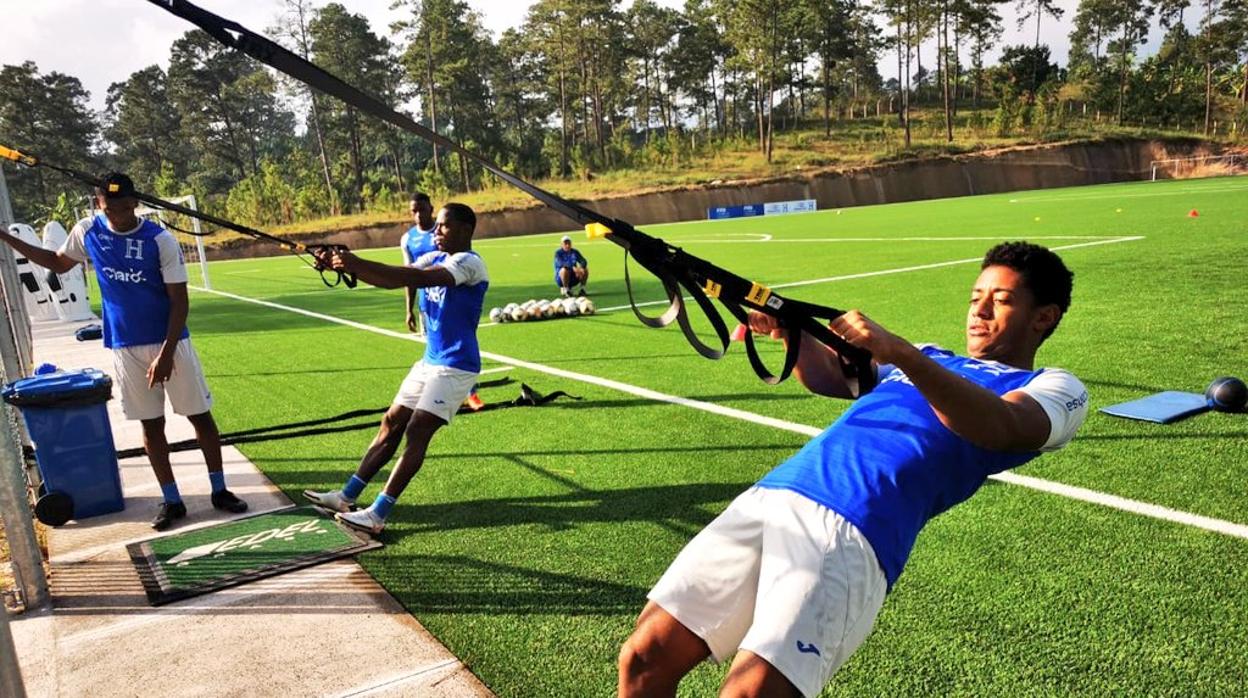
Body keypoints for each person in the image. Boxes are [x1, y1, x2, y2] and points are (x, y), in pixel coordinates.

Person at [617, 242, 1089, 698]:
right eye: (976, 297)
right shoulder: (933, 358)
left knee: (752, 692)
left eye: (1001, 300)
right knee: (644, 656)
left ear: (1043, 317)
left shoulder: (1052, 386)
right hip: (776, 494)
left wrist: (903, 352)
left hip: (855, 528)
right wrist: (791, 332)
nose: (979, 311)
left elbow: (1002, 426)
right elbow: (831, 377)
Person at [0, 173, 248, 530]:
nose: (117, 212)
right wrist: (6, 238)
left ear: (134, 203)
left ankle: (220, 489)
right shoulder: (87, 231)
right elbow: (56, 262)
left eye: (123, 205)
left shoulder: (159, 239)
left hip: (172, 342)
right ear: (99, 203)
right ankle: (172, 499)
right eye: (109, 206)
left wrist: (165, 354)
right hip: (125, 344)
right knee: (151, 424)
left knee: (199, 416)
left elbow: (179, 301)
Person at [304, 203, 489, 534]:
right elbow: (391, 276)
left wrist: (355, 262)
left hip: (456, 365)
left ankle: (378, 514)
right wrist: (344, 265)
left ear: (465, 230)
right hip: (430, 360)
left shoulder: (470, 264)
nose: (436, 232)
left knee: (417, 430)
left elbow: (413, 277)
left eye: (443, 227)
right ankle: (345, 497)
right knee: (391, 422)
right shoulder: (434, 256)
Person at [401, 192, 438, 335]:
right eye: (414, 211)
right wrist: (409, 310)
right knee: (431, 347)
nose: (418, 215)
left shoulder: (443, 232)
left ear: (431, 209)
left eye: (422, 210)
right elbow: (409, 276)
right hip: (426, 304)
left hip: (450, 301)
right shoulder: (407, 239)